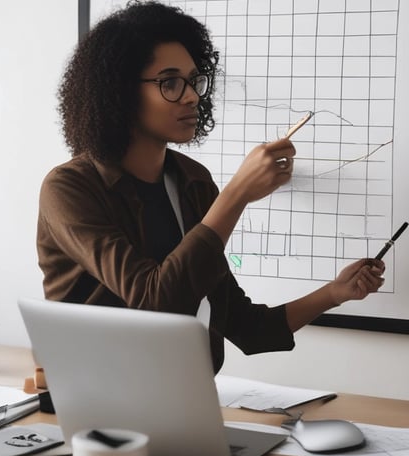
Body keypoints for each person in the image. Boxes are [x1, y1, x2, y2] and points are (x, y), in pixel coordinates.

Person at [37, 1, 385, 374]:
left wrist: (334, 293)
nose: (191, 96)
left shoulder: (192, 181)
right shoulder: (70, 189)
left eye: (193, 80)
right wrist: (237, 195)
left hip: (181, 398)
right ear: (119, 92)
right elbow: (154, 302)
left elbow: (246, 327)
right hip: (95, 402)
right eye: (169, 82)